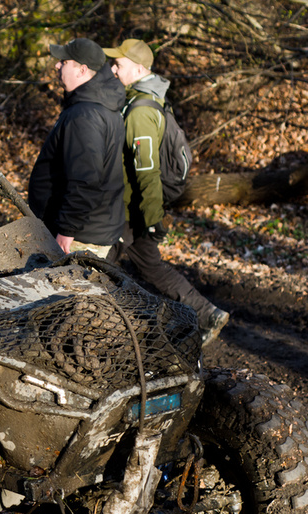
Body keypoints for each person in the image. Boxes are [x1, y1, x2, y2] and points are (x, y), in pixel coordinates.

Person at [103, 38, 229, 346]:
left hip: (131, 209)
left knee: (99, 264)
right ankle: (208, 314)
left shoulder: (140, 112)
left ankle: (102, 330)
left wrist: (151, 219)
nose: (113, 69)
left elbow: (147, 171)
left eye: (118, 64)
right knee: (149, 266)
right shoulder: (142, 100)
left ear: (138, 68)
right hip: (132, 207)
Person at [28, 38, 127, 258]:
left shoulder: (85, 115)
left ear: (82, 70)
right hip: (88, 227)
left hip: (79, 237)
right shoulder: (100, 106)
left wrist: (67, 230)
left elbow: (85, 178)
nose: (57, 65)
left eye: (64, 62)